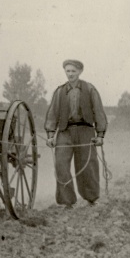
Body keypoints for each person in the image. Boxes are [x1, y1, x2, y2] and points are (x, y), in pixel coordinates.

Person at [45, 59, 107, 208]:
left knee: (88, 165)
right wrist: (51, 136)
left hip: (86, 131)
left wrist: (100, 135)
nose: (70, 74)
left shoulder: (90, 89)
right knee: (60, 164)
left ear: (79, 72)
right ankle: (67, 202)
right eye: (68, 71)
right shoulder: (60, 91)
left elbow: (98, 112)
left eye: (73, 71)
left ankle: (91, 199)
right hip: (65, 132)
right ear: (65, 72)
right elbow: (52, 115)